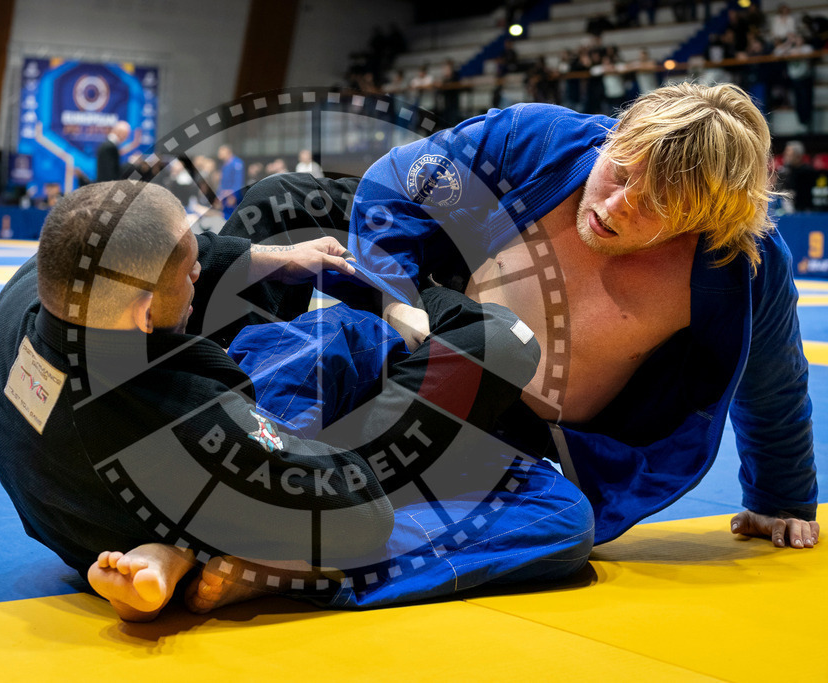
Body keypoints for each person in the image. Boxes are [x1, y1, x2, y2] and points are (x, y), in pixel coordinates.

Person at [214, 82, 819, 569]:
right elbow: (395, 184)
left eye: (655, 205)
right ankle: (199, 399)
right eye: (620, 172)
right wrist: (394, 299)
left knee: (565, 525)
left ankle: (315, 555)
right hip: (423, 339)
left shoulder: (738, 266)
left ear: (704, 216)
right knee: (282, 205)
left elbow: (773, 380)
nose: (614, 207)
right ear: (617, 134)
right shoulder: (540, 140)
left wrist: (781, 496)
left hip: (511, 438)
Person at [0, 179, 547, 620]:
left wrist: (275, 257)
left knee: (278, 205)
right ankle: (268, 567)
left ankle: (180, 552)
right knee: (551, 491)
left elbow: (181, 253)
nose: (199, 270)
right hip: (213, 481)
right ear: (144, 314)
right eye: (189, 275)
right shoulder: (194, 419)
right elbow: (362, 515)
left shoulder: (31, 298)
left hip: (85, 510)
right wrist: (413, 301)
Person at [216, 144, 246, 219]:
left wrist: (233, 195)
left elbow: (238, 181)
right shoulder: (224, 165)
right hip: (224, 195)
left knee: (232, 216)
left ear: (227, 151)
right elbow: (222, 183)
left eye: (221, 151)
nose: (219, 153)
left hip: (232, 196)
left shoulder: (237, 163)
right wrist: (219, 194)